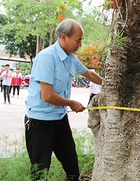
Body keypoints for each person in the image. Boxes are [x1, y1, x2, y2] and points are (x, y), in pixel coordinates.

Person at [25, 19, 103, 181]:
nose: (80, 44)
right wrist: (71, 103)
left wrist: (110, 85)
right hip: (40, 121)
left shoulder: (71, 59)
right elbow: (47, 96)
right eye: (78, 40)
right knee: (40, 169)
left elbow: (89, 74)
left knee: (71, 162)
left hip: (59, 118)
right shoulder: (47, 58)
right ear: (63, 37)